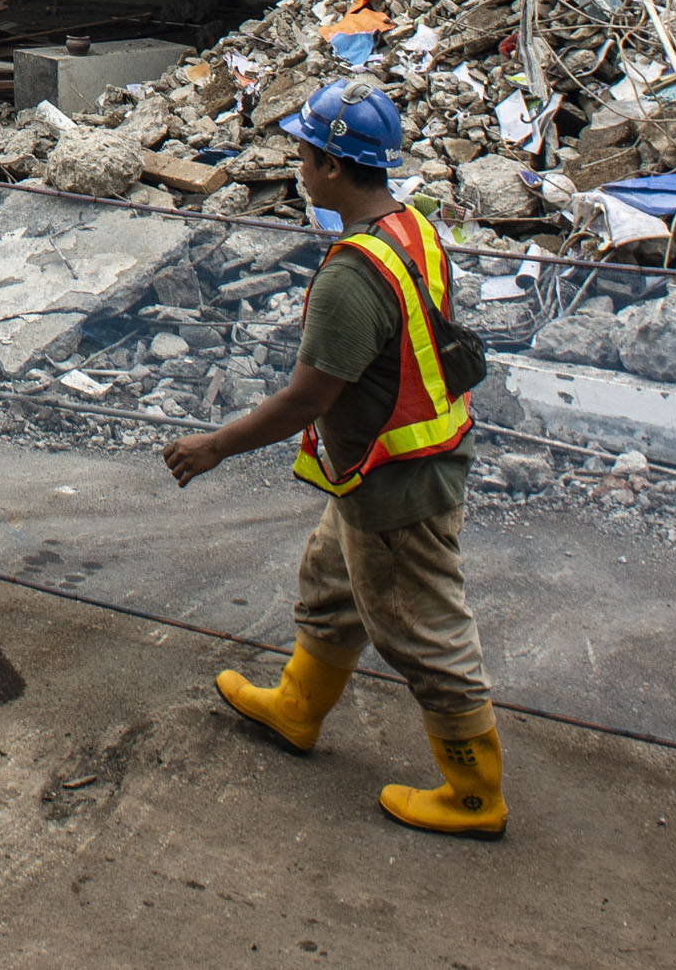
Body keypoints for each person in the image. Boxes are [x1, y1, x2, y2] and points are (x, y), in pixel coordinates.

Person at [158, 75, 503, 837]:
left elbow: (305, 400)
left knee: (422, 629)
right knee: (330, 583)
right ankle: (297, 709)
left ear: (336, 168)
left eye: (306, 154)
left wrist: (213, 447)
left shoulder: (352, 276)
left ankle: (475, 794)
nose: (299, 166)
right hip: (391, 465)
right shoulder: (410, 227)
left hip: (398, 486)